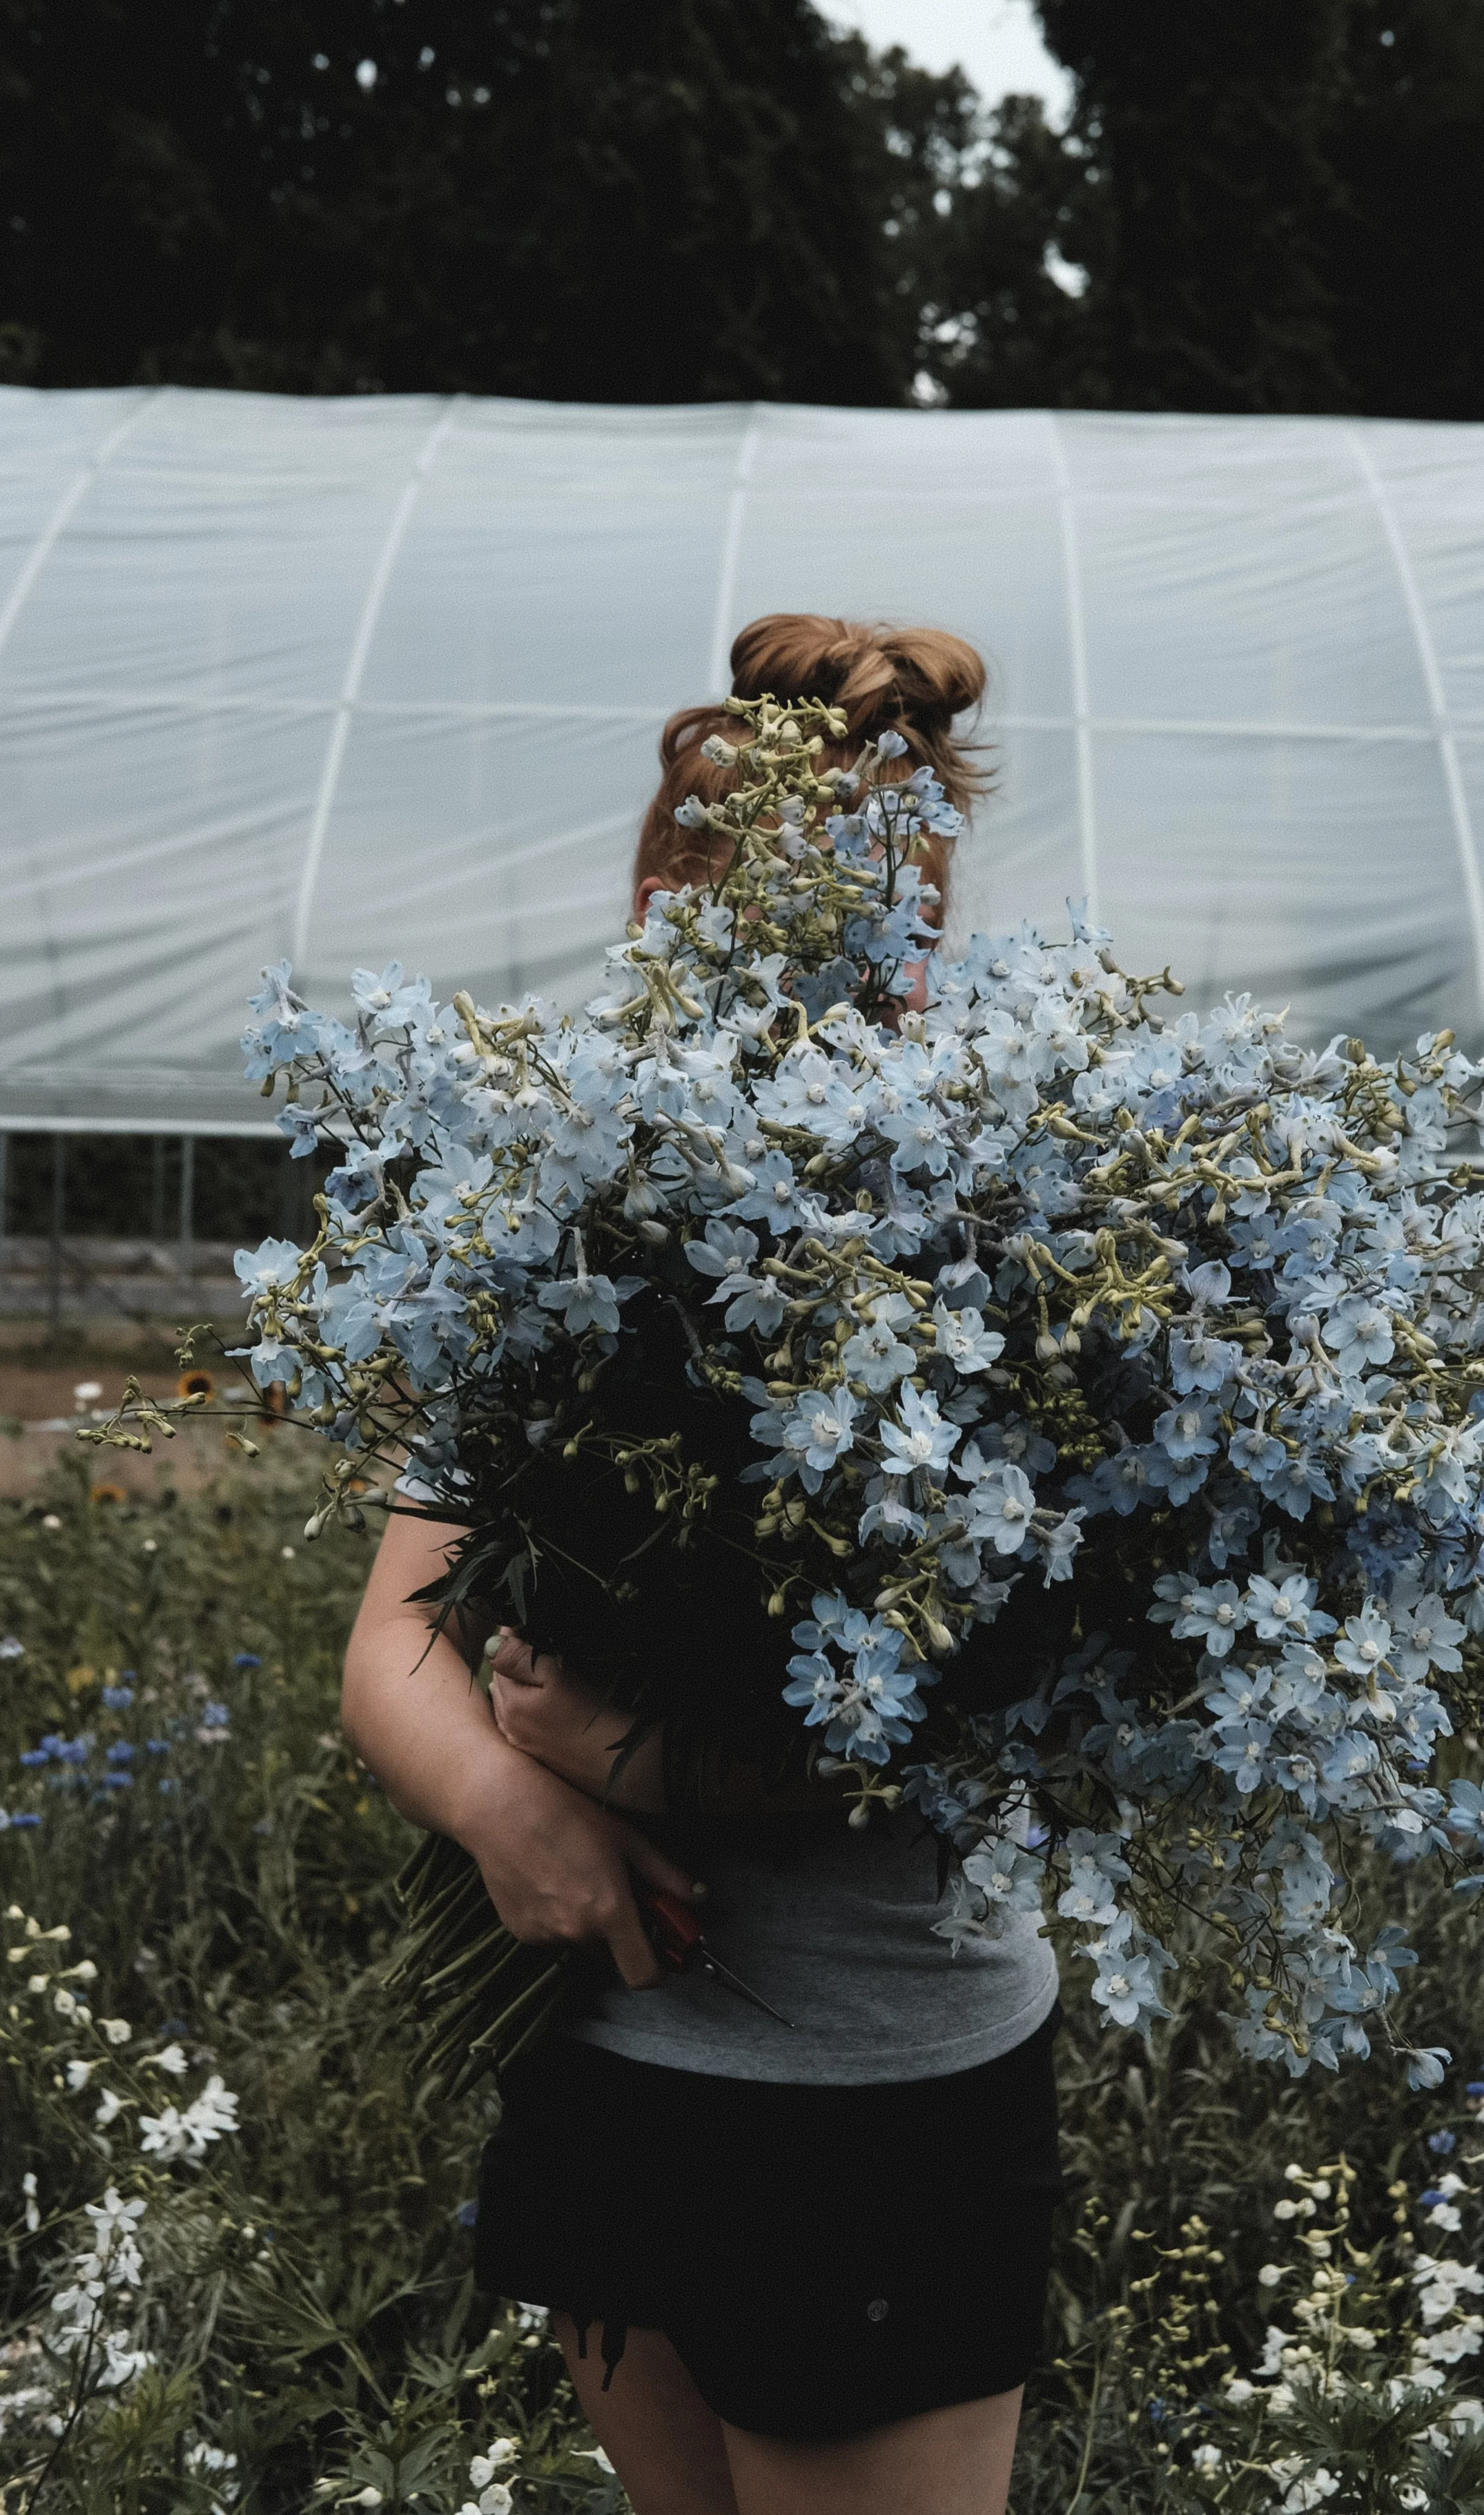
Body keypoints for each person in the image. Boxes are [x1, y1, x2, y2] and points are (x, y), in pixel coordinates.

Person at [341, 616, 1063, 2515]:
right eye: (775, 905)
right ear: (666, 891)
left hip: (872, 2093)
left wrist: (624, 1759)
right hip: (619, 2052)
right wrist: (518, 1805)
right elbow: (389, 1649)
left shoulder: (1011, 1229)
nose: (840, 960)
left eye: (884, 910)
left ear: (926, 921)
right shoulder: (543, 1212)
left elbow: (977, 1737)